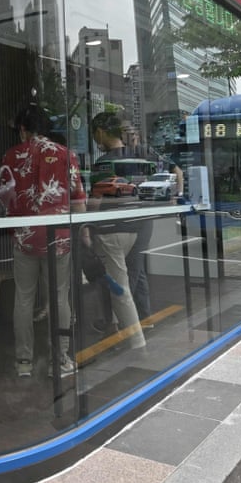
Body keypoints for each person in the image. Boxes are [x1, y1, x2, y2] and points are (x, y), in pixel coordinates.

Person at [0, 103, 87, 379]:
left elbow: (3, 197)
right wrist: (80, 231)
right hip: (57, 236)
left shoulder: (11, 155)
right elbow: (78, 199)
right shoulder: (65, 155)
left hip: (24, 236)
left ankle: (24, 361)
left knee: (23, 298)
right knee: (58, 296)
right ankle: (61, 359)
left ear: (23, 129)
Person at [83, 111, 147, 349]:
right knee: (121, 283)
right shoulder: (135, 157)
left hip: (110, 232)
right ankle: (114, 328)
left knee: (120, 290)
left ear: (100, 132)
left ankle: (137, 343)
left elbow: (95, 202)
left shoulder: (104, 162)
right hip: (134, 229)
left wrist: (85, 228)